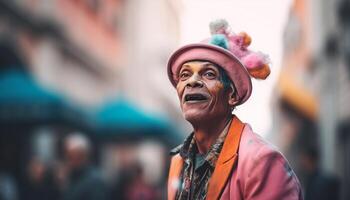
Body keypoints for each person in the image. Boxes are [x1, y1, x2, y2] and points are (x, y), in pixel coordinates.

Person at [167, 19, 303, 200]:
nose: (192, 81)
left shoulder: (261, 162)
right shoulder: (178, 162)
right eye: (185, 74)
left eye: (209, 74)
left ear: (232, 95)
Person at [62, 133, 109, 200]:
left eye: (76, 156)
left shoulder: (95, 181)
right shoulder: (71, 177)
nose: (70, 161)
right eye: (68, 156)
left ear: (85, 156)